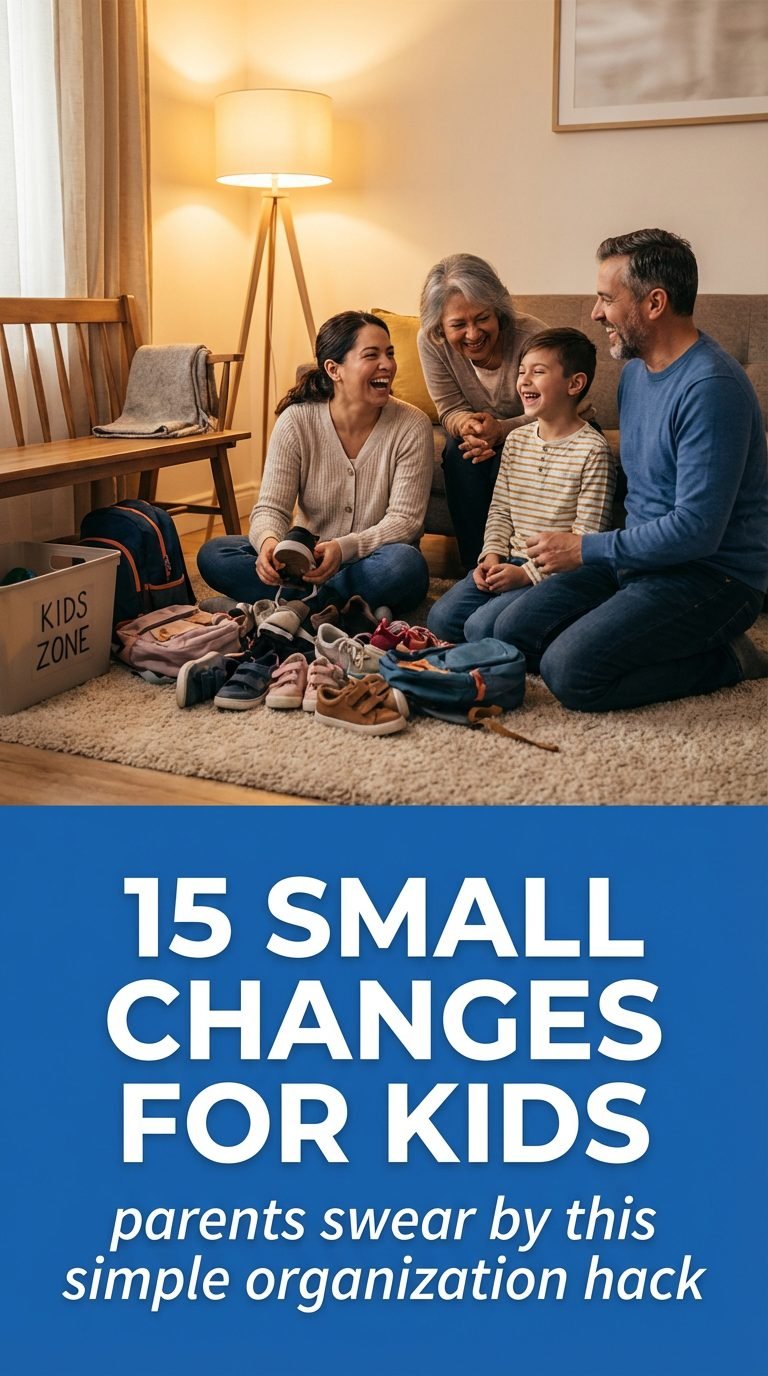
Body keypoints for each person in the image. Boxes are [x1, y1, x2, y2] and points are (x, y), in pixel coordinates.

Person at [493, 228, 768, 711]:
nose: (596, 313)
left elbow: (697, 533)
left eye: (606, 299)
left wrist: (585, 548)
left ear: (654, 303)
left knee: (570, 672)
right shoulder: (636, 372)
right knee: (512, 631)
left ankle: (731, 658)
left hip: (712, 578)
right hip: (639, 560)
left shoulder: (711, 388)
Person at [197, 311, 434, 615]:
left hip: (373, 560)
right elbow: (271, 507)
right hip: (305, 563)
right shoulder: (297, 421)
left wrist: (345, 548)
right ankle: (335, 608)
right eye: (372, 355)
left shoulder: (411, 424)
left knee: (406, 565)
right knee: (214, 554)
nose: (387, 365)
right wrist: (268, 544)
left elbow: (405, 521)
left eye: (389, 354)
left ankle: (284, 608)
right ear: (334, 369)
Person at [427, 328, 615, 644]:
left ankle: (567, 616)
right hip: (509, 561)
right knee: (440, 619)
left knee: (480, 628)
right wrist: (491, 555)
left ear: (575, 384)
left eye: (538, 372)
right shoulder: (515, 440)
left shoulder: (592, 451)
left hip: (559, 572)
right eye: (522, 371)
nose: (524, 380)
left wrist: (527, 575)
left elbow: (586, 540)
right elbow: (501, 509)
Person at [417, 253, 547, 570]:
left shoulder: (533, 337)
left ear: (498, 310)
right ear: (440, 327)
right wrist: (468, 426)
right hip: (484, 439)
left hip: (543, 431)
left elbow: (558, 409)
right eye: (458, 325)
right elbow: (449, 409)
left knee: (507, 453)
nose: (473, 334)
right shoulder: (431, 342)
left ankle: (522, 565)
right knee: (459, 452)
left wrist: (502, 430)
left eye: (482, 319)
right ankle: (477, 569)